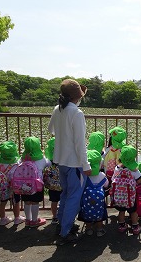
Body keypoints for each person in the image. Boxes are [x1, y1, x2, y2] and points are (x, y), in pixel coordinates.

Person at [48, 78, 92, 245]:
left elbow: (51, 129)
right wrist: (86, 165)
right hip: (74, 163)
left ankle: (62, 225)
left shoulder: (58, 109)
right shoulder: (76, 113)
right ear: (77, 97)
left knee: (65, 194)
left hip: (61, 160)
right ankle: (65, 232)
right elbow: (79, 143)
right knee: (74, 197)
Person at [20, 136, 51, 227]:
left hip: (24, 184)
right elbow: (48, 163)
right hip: (37, 185)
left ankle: (28, 220)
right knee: (35, 202)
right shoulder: (41, 159)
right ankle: (34, 220)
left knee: (27, 202)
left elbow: (18, 164)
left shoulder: (23, 158)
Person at [111, 145, 141, 235]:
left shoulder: (117, 168)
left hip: (119, 196)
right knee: (133, 211)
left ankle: (121, 225)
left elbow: (113, 178)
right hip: (131, 196)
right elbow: (139, 180)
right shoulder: (134, 171)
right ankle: (135, 226)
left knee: (121, 211)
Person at [0, 141, 25, 226]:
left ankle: (3, 219)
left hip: (2, 188)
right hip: (14, 187)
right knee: (16, 203)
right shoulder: (16, 163)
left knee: (2, 203)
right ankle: (17, 218)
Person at [80, 149, 109, 237]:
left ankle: (88, 229)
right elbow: (106, 184)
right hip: (99, 201)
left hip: (86, 200)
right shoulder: (102, 175)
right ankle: (99, 230)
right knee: (100, 213)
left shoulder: (84, 175)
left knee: (86, 212)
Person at [43, 137, 62, 225]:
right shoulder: (64, 160)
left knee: (54, 201)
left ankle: (54, 216)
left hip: (52, 186)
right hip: (63, 184)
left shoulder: (49, 161)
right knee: (64, 200)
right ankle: (63, 215)